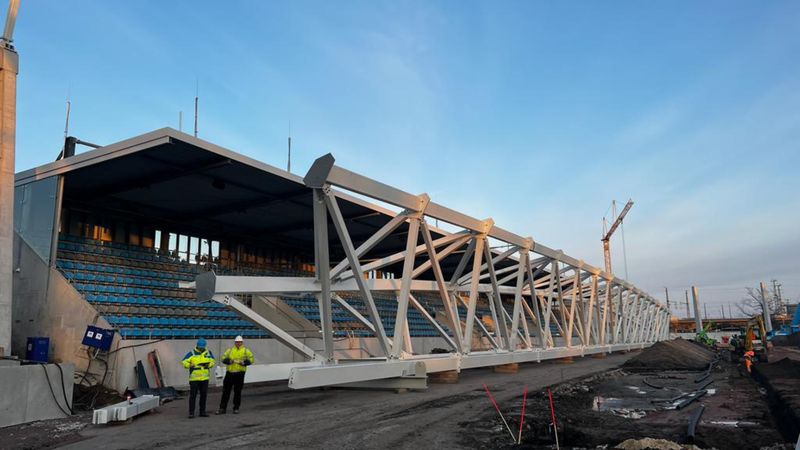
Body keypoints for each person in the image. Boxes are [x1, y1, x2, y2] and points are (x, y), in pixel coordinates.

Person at [216, 335, 254, 415]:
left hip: (240, 373)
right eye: (237, 342)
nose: (238, 343)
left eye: (239, 342)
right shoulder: (229, 350)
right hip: (230, 373)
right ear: (235, 342)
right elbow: (223, 358)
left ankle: (236, 408)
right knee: (226, 392)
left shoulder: (246, 351)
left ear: (242, 342)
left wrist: (244, 363)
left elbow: (251, 359)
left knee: (237, 392)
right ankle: (222, 408)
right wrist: (229, 361)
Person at [181, 337, 215, 418]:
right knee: (193, 396)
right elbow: (184, 361)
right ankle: (191, 412)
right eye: (200, 347)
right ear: (197, 346)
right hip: (194, 379)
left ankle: (202, 412)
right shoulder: (191, 353)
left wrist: (209, 365)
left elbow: (213, 361)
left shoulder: (208, 353)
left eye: (202, 347)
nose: (201, 349)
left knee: (204, 395)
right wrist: (189, 365)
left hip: (204, 378)